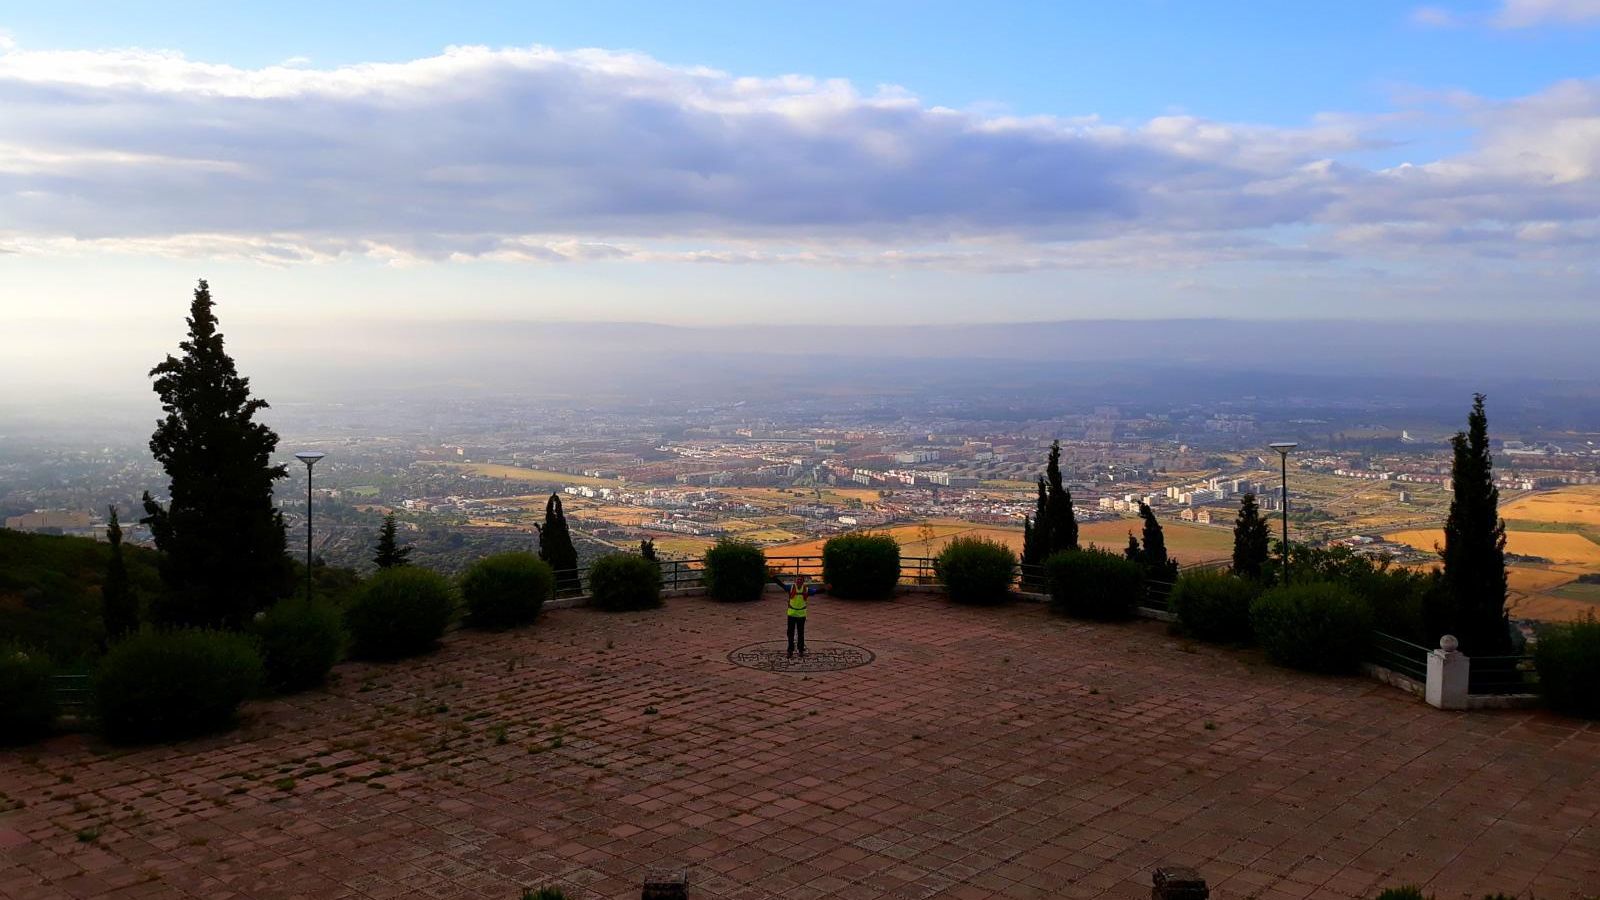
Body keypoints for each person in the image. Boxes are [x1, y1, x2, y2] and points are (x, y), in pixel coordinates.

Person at [772, 572, 822, 658]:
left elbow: (816, 592)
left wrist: (826, 589)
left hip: (801, 615)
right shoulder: (791, 588)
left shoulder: (806, 590)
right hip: (791, 614)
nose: (799, 581)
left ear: (803, 581)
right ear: (795, 581)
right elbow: (782, 585)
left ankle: (801, 650)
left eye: (800, 580)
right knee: (790, 633)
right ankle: (790, 651)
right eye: (798, 579)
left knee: (800, 633)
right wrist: (774, 578)